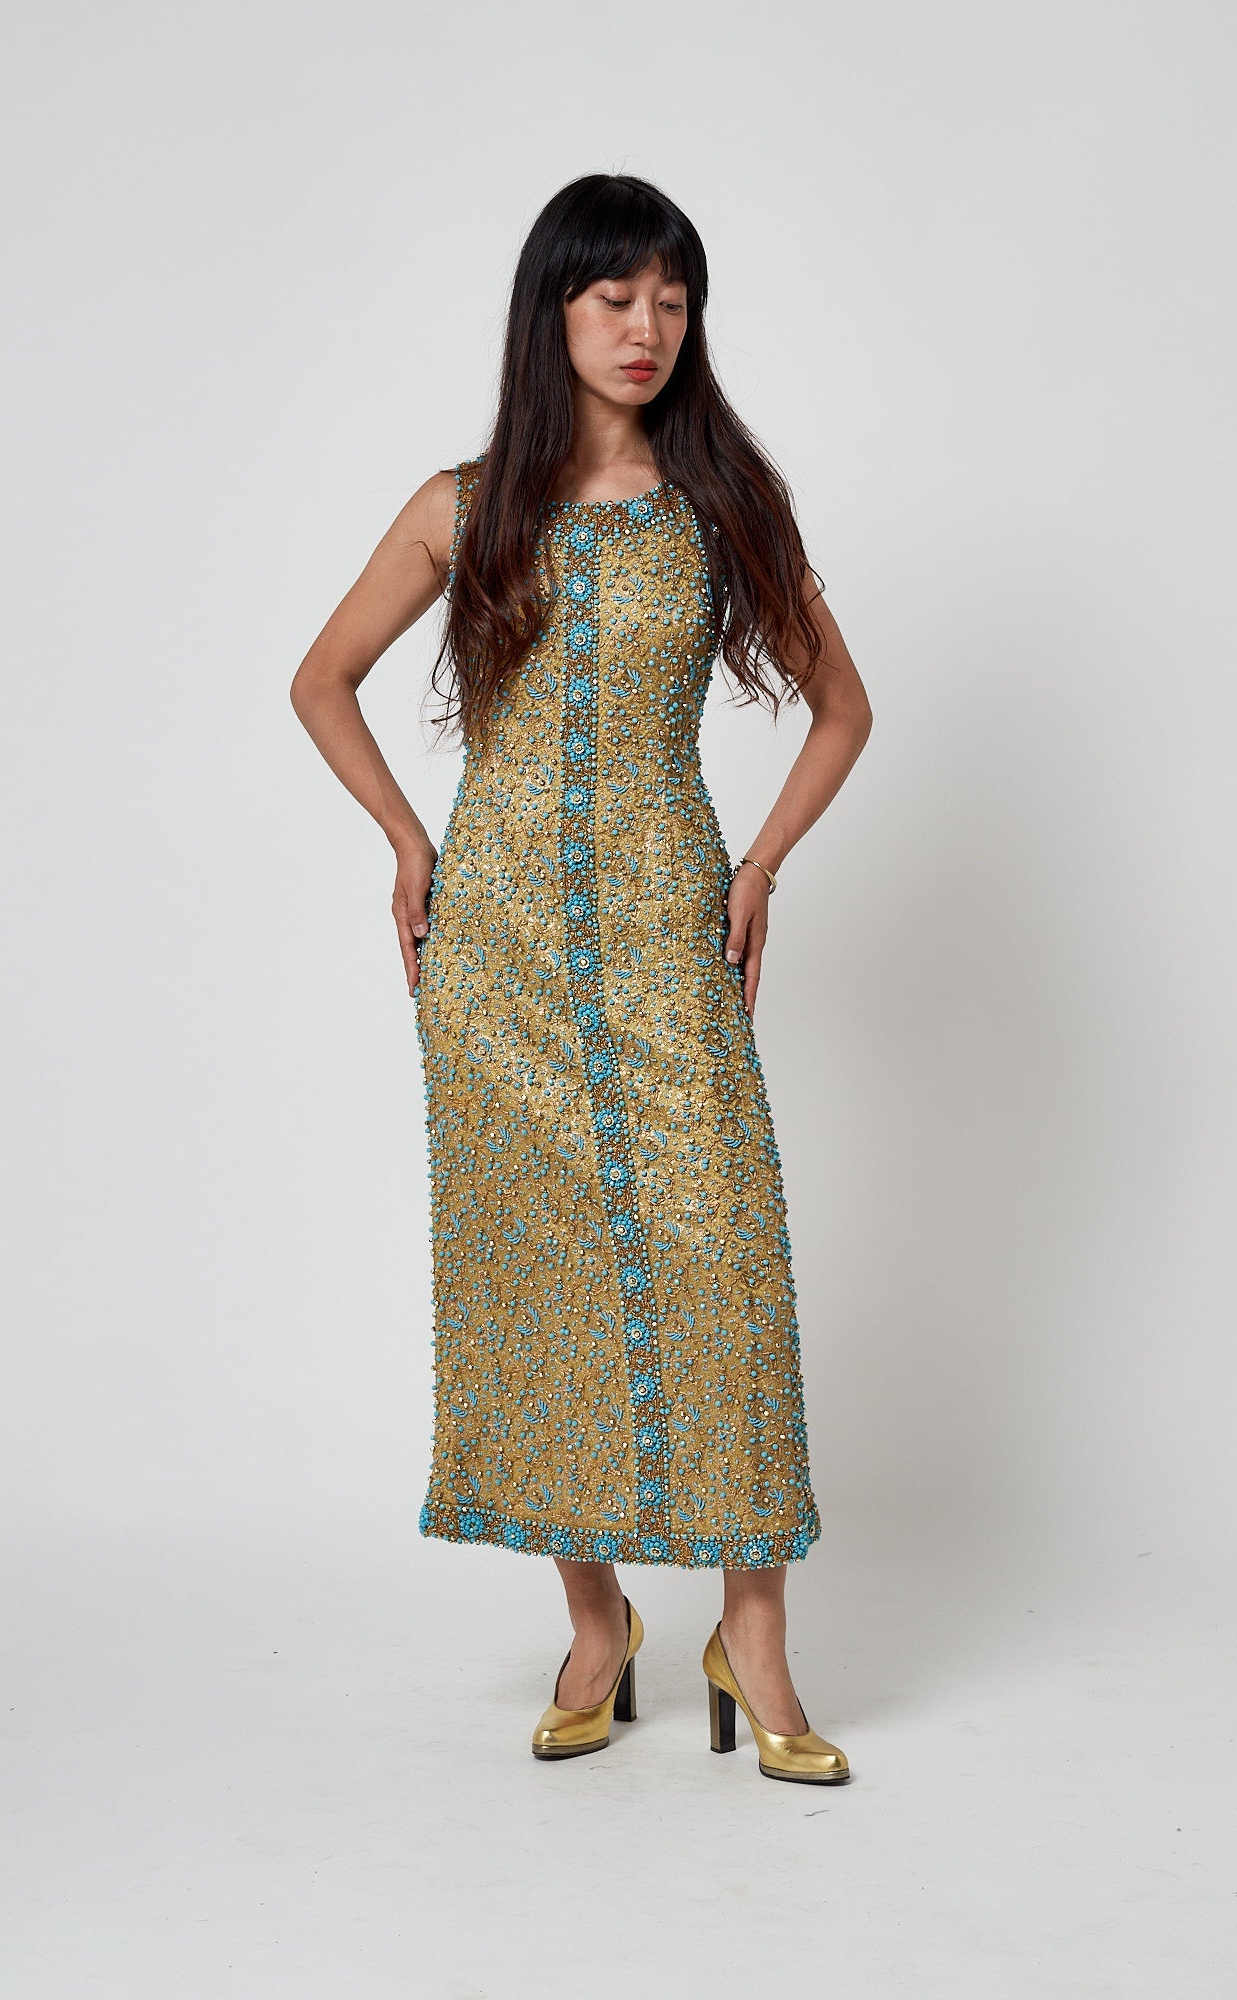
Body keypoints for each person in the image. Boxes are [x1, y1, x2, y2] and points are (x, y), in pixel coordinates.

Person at [290, 174, 873, 1784]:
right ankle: (597, 1627)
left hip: (668, 924)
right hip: (496, 950)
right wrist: (406, 841)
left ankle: (753, 1637)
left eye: (672, 301)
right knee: (537, 1278)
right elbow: (322, 678)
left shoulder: (724, 503)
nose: (645, 328)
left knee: (725, 1262)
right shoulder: (465, 503)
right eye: (615, 298)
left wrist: (759, 870)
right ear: (553, 312)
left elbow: (843, 708)